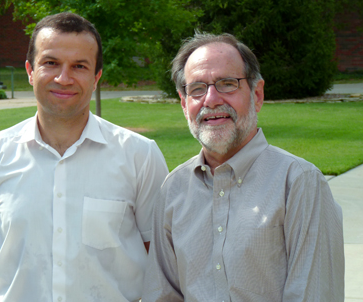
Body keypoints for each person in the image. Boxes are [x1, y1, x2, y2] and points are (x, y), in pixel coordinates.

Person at [0, 12, 168, 301]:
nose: (63, 78)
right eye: (50, 63)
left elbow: (159, 251)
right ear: (29, 70)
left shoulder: (140, 155)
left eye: (79, 66)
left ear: (96, 77)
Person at [142, 33, 344, 302]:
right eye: (197, 89)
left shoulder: (299, 183)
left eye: (227, 84)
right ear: (184, 103)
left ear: (257, 94)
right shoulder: (173, 189)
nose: (211, 100)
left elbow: (315, 295)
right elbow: (162, 295)